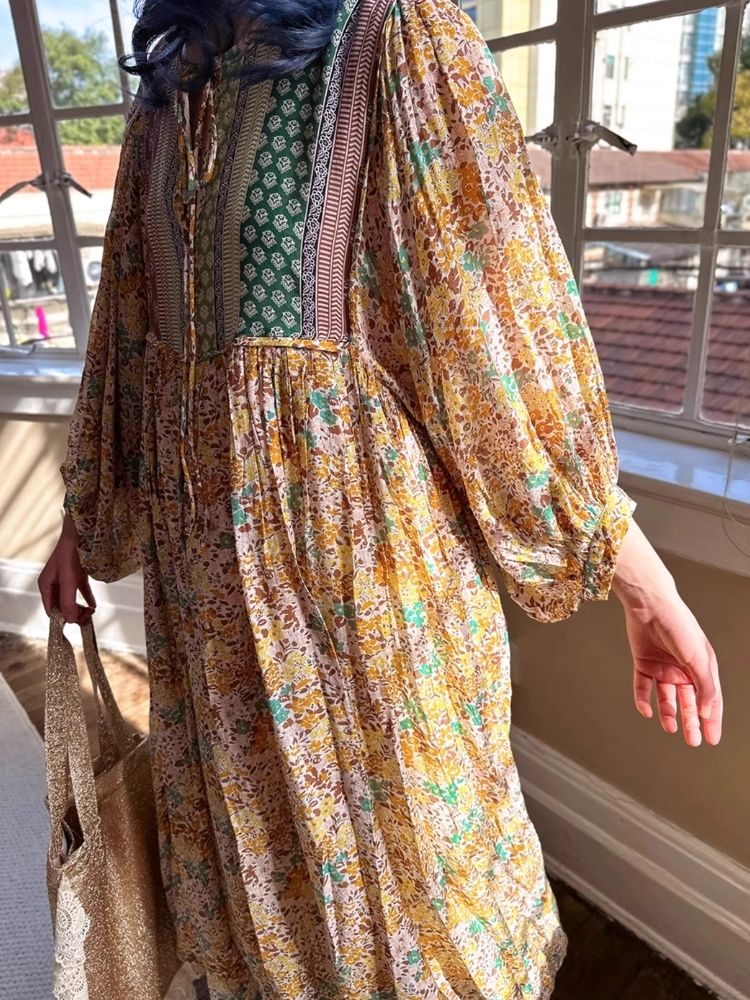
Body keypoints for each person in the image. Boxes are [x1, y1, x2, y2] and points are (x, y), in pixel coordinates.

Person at [38, 0, 723, 996]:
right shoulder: (173, 87)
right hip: (208, 621)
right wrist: (84, 513)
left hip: (363, 609)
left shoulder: (397, 41)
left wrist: (643, 585)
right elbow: (129, 336)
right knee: (268, 908)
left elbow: (493, 341)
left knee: (413, 914)